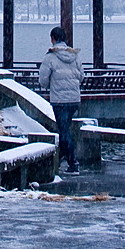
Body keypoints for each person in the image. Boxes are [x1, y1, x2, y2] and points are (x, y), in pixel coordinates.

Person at [38, 25, 82, 175]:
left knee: (63, 131)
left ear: (53, 39)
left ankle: (73, 162)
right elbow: (81, 76)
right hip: (74, 100)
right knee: (66, 129)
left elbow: (43, 80)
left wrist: (51, 84)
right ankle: (64, 156)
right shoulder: (75, 56)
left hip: (59, 100)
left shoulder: (50, 57)